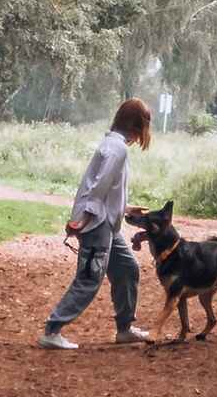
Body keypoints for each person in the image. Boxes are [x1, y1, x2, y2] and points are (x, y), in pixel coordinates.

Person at [40, 100, 155, 351]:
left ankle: (124, 329)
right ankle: (52, 330)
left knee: (127, 268)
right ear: (138, 125)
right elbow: (98, 190)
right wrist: (83, 221)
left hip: (106, 224)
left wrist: (125, 209)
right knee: (89, 278)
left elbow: (106, 192)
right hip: (97, 225)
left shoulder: (113, 145)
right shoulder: (117, 149)